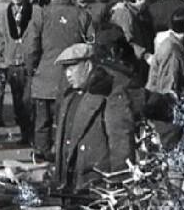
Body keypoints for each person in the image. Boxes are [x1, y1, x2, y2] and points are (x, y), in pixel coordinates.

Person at [24, 0, 94, 162]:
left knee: (42, 123)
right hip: (72, 78)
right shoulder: (82, 14)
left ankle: (40, 158)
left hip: (44, 77)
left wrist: (32, 69)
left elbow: (31, 47)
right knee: (65, 122)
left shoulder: (41, 14)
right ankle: (64, 160)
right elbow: (91, 44)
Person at [52, 44, 136, 193]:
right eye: (65, 69)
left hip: (97, 186)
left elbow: (121, 143)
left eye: (72, 67)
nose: (67, 74)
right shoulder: (69, 96)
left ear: (88, 65)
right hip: (71, 184)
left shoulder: (109, 94)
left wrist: (119, 184)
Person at [0, 0, 34, 141]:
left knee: (29, 100)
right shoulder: (4, 12)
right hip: (12, 60)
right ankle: (24, 132)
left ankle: (30, 133)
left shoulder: (34, 11)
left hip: (28, 60)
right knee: (18, 101)